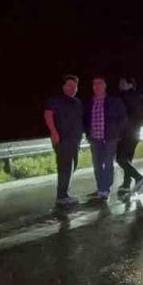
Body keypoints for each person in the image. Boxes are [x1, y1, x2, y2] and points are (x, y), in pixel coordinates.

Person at [83, 76, 128, 202]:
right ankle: (100, 188)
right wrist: (87, 134)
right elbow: (85, 120)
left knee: (108, 163)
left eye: (99, 84)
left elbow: (123, 118)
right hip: (95, 139)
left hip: (109, 138)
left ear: (104, 86)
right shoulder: (89, 102)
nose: (96, 86)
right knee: (97, 165)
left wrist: (117, 133)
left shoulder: (113, 101)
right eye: (94, 84)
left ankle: (105, 189)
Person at [44, 75, 84, 208]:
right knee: (65, 167)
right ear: (63, 86)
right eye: (70, 85)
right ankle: (62, 196)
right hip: (62, 139)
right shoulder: (56, 100)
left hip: (75, 140)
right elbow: (48, 115)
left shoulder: (77, 102)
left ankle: (64, 192)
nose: (72, 88)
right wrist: (54, 132)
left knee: (74, 165)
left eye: (75, 86)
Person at [116, 77, 143, 198]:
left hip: (125, 133)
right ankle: (126, 184)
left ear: (130, 85)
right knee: (128, 159)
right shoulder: (139, 97)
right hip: (135, 133)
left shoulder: (124, 97)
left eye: (122, 82)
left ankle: (139, 178)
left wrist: (119, 132)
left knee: (120, 159)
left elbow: (123, 116)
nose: (120, 85)